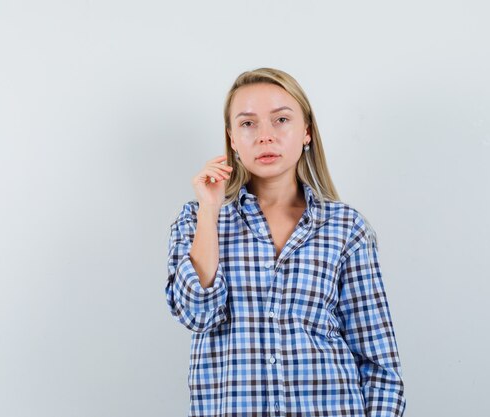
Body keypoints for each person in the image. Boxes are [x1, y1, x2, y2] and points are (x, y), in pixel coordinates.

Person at [165, 67, 406, 417]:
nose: (265, 136)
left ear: (306, 131)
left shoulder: (344, 227)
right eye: (248, 124)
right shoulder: (197, 218)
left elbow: (379, 362)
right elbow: (195, 314)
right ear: (232, 138)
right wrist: (209, 211)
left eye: (281, 120)